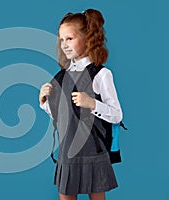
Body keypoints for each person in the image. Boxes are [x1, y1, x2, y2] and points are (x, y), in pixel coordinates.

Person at [39, 9, 123, 200]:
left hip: (94, 150)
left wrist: (92, 103)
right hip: (68, 152)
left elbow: (117, 115)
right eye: (61, 40)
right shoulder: (61, 76)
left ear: (87, 39)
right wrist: (44, 102)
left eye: (70, 39)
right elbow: (62, 116)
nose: (64, 45)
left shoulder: (101, 74)